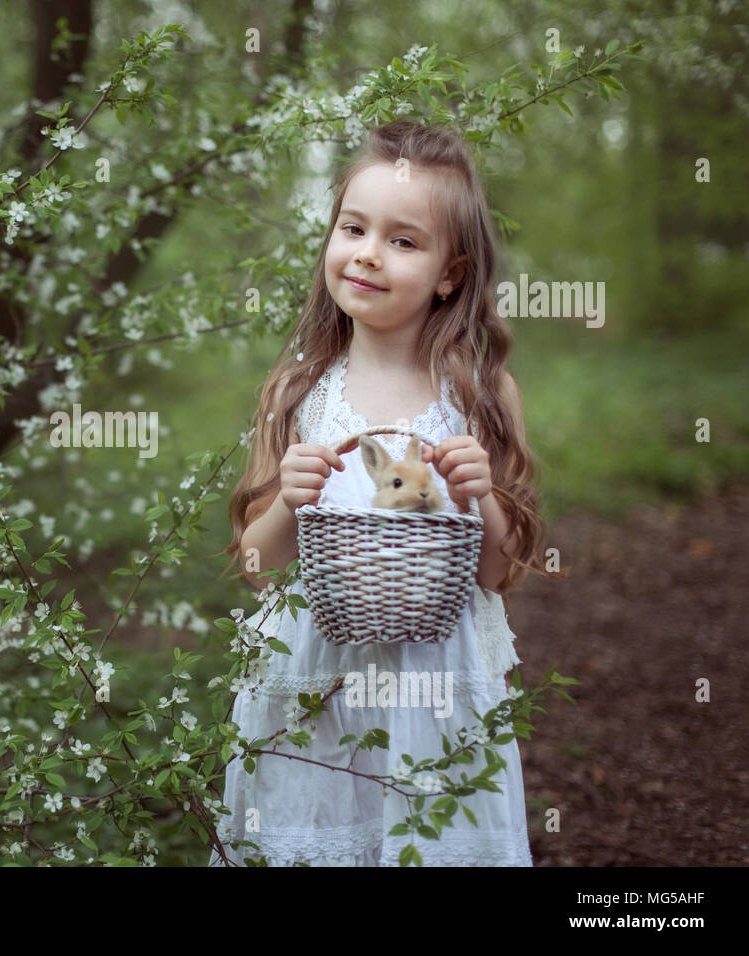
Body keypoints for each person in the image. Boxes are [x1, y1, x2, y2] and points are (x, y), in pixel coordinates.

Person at [210, 120, 554, 866]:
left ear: (450, 274)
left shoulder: (483, 394)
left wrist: (483, 494)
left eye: (403, 241)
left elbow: (500, 574)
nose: (367, 253)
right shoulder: (299, 391)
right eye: (353, 227)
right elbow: (258, 569)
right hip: (314, 686)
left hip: (438, 687)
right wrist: (284, 505)